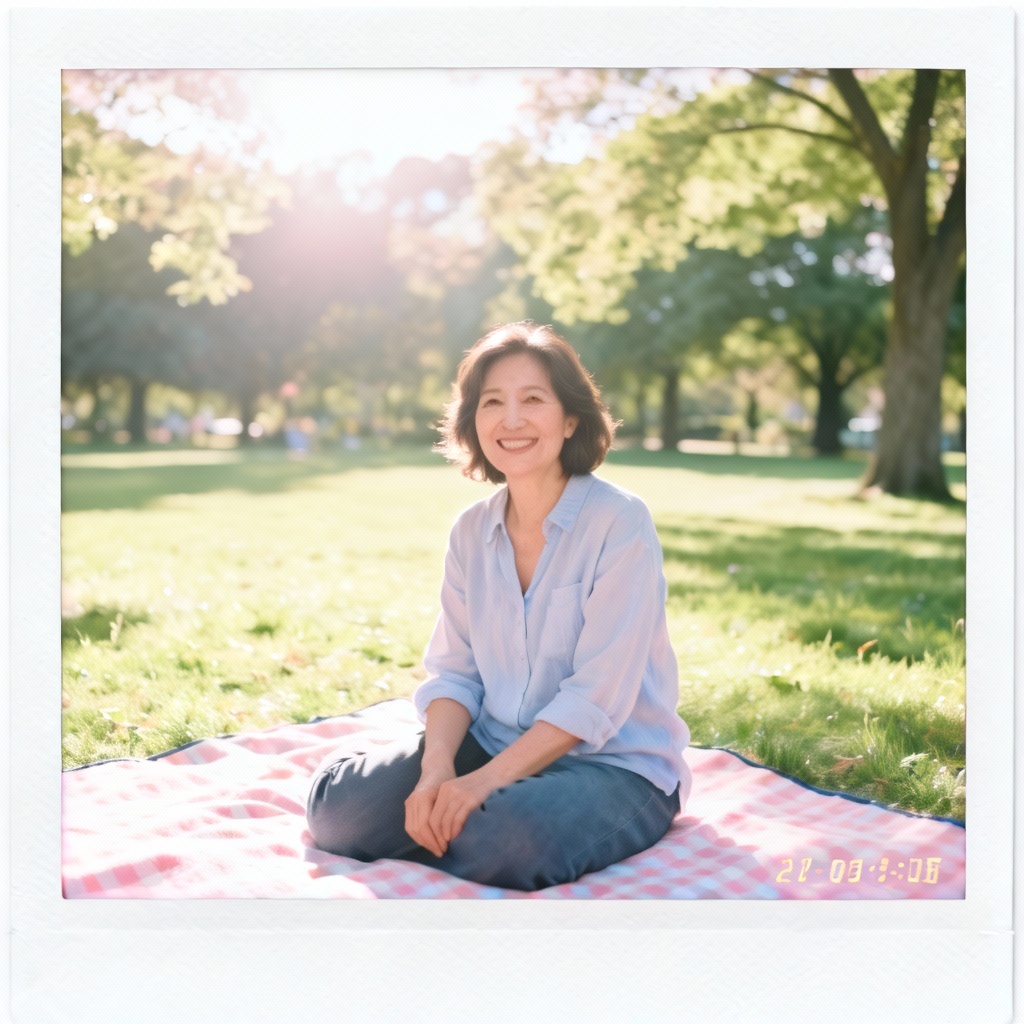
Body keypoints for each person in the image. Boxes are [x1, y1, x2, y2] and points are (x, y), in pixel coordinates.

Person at [306, 322, 691, 891]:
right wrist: (437, 770)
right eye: (492, 403)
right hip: (490, 742)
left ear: (570, 420)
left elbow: (596, 698)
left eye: (533, 400)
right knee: (339, 812)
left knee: (508, 835)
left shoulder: (620, 522)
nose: (510, 420)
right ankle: (447, 829)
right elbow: (455, 674)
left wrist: (479, 786)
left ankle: (459, 833)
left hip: (613, 766)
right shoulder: (470, 532)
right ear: (473, 422)